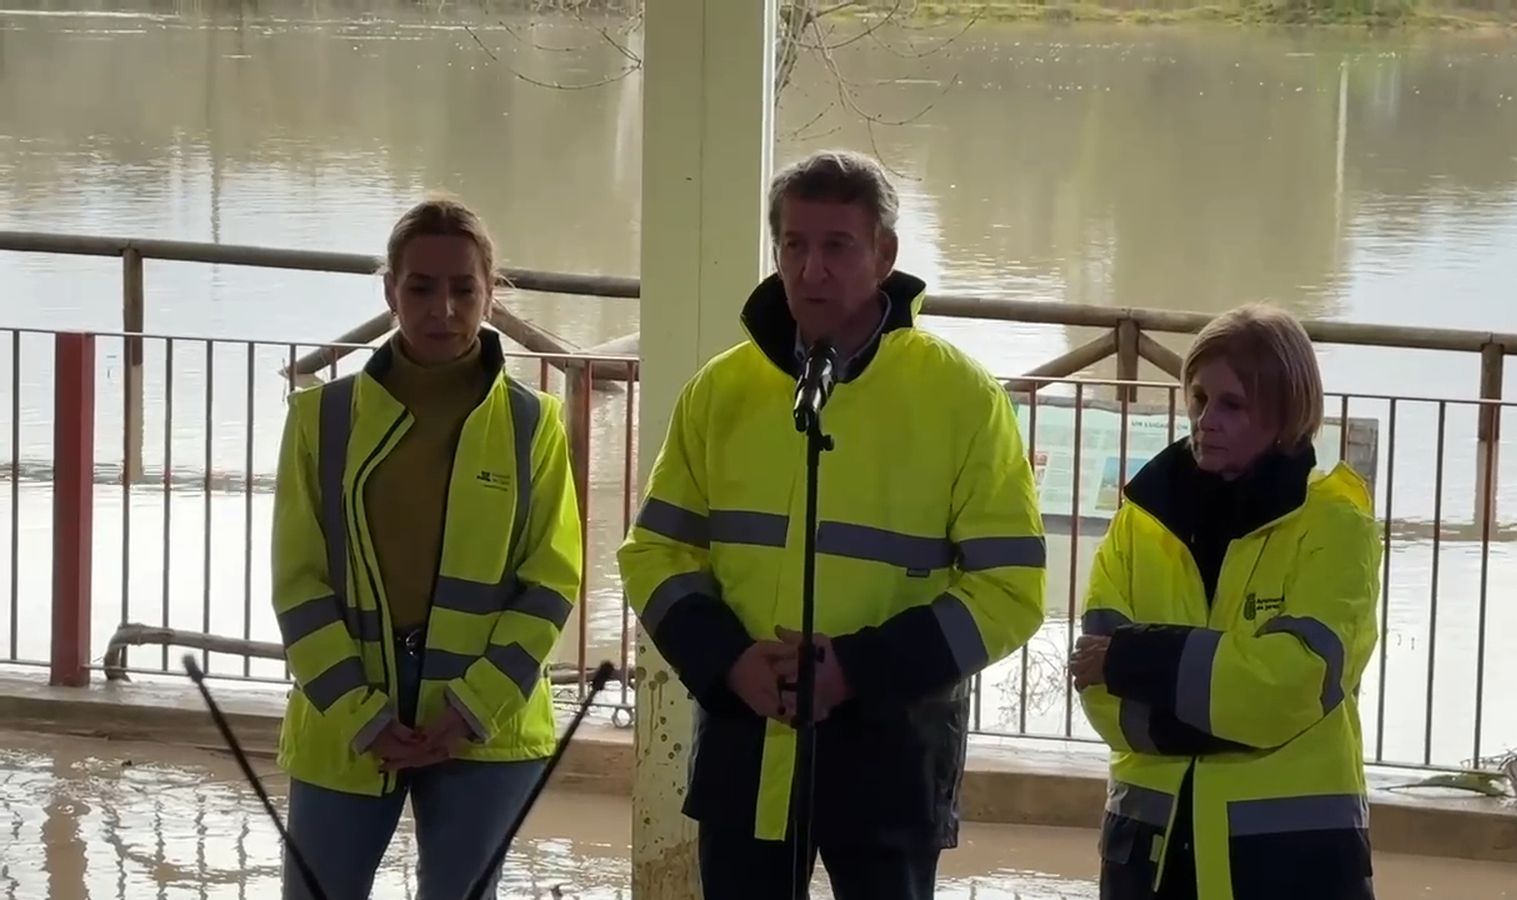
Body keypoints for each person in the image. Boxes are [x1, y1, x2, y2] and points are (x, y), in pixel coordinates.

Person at [616, 149, 1048, 900]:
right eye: (793, 246)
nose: (811, 270)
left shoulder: (962, 397)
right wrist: (727, 660)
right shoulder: (720, 390)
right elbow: (655, 552)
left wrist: (855, 670)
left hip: (892, 750)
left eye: (837, 246)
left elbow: (1011, 589)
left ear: (883, 255)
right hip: (745, 747)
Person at [270, 197, 583, 900]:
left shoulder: (536, 425)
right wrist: (362, 714)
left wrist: (470, 709)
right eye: (421, 287)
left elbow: (551, 581)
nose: (443, 309)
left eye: (463, 289)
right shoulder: (321, 418)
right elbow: (298, 582)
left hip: (486, 731)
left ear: (489, 293)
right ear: (390, 292)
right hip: (343, 726)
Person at [1068, 304, 1380, 900]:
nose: (1205, 420)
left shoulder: (1338, 526)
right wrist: (1236, 708)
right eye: (1197, 398)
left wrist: (1135, 660)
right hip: (1150, 854)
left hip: (1289, 863)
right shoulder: (1140, 521)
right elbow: (1099, 693)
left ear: (1286, 412)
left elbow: (1290, 686)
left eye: (1232, 405)